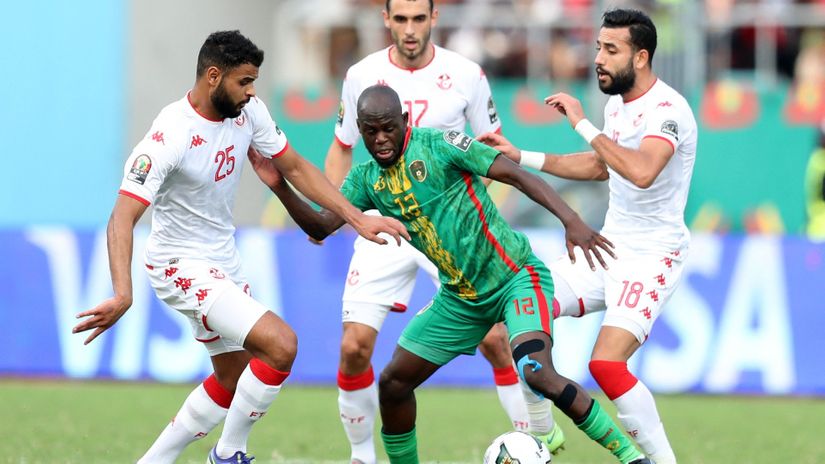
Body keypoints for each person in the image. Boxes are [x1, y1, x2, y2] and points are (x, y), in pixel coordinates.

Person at [250, 84, 652, 464]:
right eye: (370, 132)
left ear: (404, 120)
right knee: (392, 384)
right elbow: (321, 226)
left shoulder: (440, 145)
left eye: (389, 128)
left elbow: (515, 175)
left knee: (536, 372)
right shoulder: (364, 179)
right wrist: (279, 186)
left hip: (516, 277)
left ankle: (630, 457)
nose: (381, 139)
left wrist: (571, 220)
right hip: (461, 300)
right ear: (360, 130)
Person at [71, 31, 408, 464]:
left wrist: (356, 218)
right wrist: (122, 291)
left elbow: (296, 167)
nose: (251, 92)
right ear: (214, 76)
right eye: (244, 82)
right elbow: (122, 215)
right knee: (281, 345)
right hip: (179, 264)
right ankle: (228, 454)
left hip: (222, 260)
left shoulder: (249, 113)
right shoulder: (169, 134)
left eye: (254, 82)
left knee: (232, 379)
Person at [322, 1, 559, 462]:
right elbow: (342, 148)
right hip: (386, 221)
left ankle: (531, 442)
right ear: (386, 19)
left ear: (434, 18)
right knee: (354, 346)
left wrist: (456, 213)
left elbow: (491, 152)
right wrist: (350, 215)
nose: (410, 30)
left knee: (494, 340)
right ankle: (362, 456)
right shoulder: (360, 76)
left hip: (447, 231)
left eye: (418, 18)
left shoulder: (466, 73)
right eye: (401, 19)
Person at [479, 9, 697, 464]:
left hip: (653, 255)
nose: (598, 57)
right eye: (598, 46)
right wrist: (524, 156)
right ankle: (542, 434)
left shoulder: (669, 110)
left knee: (606, 365)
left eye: (610, 50)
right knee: (520, 311)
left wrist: (582, 123)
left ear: (641, 57)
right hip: (609, 247)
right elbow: (602, 166)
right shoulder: (616, 104)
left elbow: (640, 171)